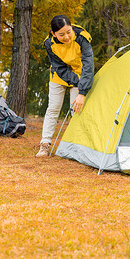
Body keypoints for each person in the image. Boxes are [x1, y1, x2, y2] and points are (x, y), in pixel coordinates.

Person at [36, 15, 94, 157]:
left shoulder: (82, 37)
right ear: (53, 34)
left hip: (81, 75)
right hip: (60, 75)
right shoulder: (49, 43)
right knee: (53, 109)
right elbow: (60, 67)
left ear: (72, 28)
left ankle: (75, 146)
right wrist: (77, 83)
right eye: (61, 34)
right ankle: (45, 144)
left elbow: (88, 64)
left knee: (77, 110)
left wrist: (82, 91)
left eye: (69, 32)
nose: (67, 37)